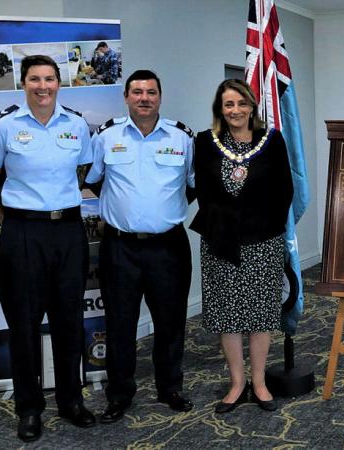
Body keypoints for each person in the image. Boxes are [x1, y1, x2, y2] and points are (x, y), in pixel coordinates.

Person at [85, 70, 195, 423]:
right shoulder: (106, 136)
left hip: (168, 246)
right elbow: (94, 181)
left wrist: (162, 212)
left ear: (160, 97)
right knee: (120, 323)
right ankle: (119, 394)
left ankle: (170, 388)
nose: (144, 98)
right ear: (126, 97)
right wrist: (125, 212)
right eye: (137, 92)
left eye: (151, 92)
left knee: (170, 321)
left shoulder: (182, 137)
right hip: (121, 248)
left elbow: (193, 185)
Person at [0, 54, 95, 442]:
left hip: (68, 231)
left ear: (59, 83)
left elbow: (84, 173)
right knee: (23, 324)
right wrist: (8, 218)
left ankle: (71, 401)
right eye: (35, 79)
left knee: (70, 320)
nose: (43, 86)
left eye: (50, 79)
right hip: (22, 233)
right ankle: (29, 408)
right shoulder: (4, 125)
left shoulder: (76, 125)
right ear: (23, 83)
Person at [190, 79, 292, 413]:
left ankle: (259, 382)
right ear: (220, 109)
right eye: (228, 104)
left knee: (261, 313)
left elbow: (285, 189)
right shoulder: (204, 142)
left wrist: (263, 225)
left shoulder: (272, 140)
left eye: (241, 103)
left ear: (252, 107)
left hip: (263, 240)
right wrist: (225, 221)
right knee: (228, 315)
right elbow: (201, 190)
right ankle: (237, 384)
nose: (235, 110)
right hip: (220, 241)